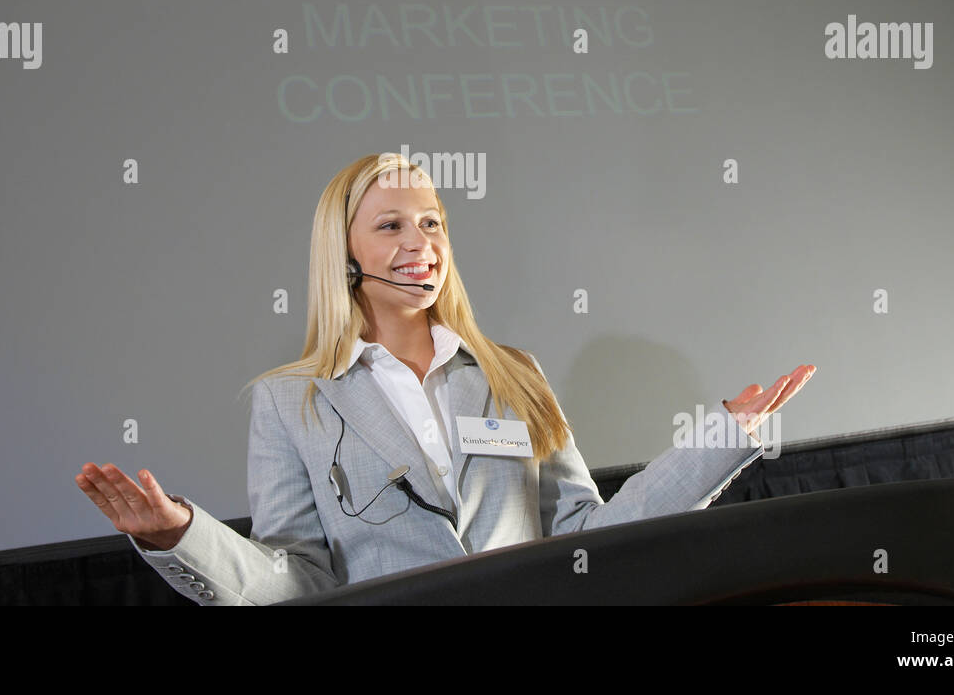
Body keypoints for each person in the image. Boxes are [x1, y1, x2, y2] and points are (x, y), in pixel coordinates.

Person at [75, 152, 814, 605]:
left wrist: (720, 437)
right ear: (344, 251)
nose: (420, 243)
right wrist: (182, 537)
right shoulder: (289, 401)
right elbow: (299, 583)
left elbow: (588, 536)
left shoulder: (512, 372)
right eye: (391, 225)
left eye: (432, 223)